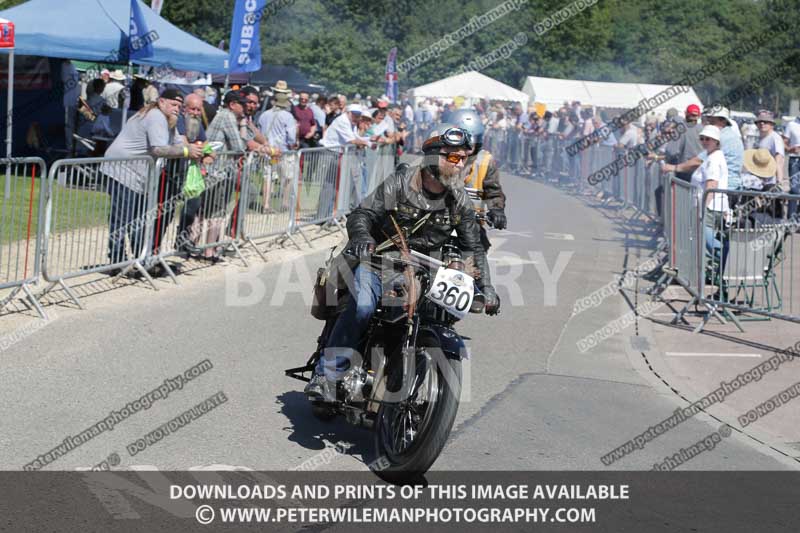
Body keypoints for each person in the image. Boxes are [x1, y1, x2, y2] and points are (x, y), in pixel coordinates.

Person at [305, 125, 500, 398]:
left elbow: (473, 247)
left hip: (426, 273)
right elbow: (362, 214)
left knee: (439, 317)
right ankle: (327, 375)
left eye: (464, 159)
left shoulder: (460, 199)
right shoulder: (401, 183)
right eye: (453, 158)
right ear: (433, 157)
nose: (460, 165)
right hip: (379, 263)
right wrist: (362, 236)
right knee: (362, 307)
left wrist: (487, 287)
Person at [102, 89, 203, 267]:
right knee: (123, 219)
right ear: (161, 101)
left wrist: (199, 149)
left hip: (137, 173)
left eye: (179, 106)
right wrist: (187, 151)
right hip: (122, 170)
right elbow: (158, 149)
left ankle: (143, 259)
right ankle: (117, 261)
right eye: (173, 104)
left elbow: (178, 143)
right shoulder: (156, 115)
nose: (177, 109)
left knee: (139, 220)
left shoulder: (167, 119)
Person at [662, 125, 728, 255]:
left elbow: (711, 185)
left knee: (705, 237)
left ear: (716, 142)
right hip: (712, 205)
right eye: (702, 139)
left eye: (708, 139)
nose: (704, 142)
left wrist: (702, 208)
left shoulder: (713, 159)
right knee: (705, 237)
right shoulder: (710, 156)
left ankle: (725, 261)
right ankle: (722, 262)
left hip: (710, 207)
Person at [451, 109, 507, 250]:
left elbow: (493, 190)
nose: (467, 146)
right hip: (440, 221)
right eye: (461, 140)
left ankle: (481, 271)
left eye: (471, 140)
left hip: (472, 223)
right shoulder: (440, 156)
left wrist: (497, 209)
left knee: (480, 251)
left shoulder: (485, 161)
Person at [258, 89, 296, 212]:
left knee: (267, 177)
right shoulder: (288, 116)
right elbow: (291, 137)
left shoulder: (264, 115)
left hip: (267, 150)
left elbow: (259, 132)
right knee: (288, 177)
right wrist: (292, 144)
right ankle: (284, 203)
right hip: (282, 151)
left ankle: (266, 205)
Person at [754, 110, 786, 191]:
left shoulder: (775, 138)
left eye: (765, 122)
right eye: (760, 121)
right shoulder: (760, 138)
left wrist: (779, 183)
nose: (762, 123)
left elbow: (779, 161)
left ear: (771, 124)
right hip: (760, 180)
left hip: (771, 182)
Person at [782, 115, 800, 216]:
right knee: (794, 189)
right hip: (795, 159)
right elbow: (784, 143)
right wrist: (789, 149)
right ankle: (791, 220)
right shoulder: (791, 124)